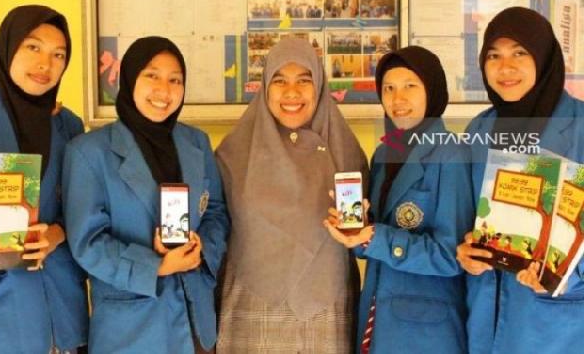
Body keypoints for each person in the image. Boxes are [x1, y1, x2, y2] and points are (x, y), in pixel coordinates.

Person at [62, 36, 230, 353]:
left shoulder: (196, 143)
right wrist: (157, 266)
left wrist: (202, 250)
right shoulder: (89, 152)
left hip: (195, 325)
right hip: (131, 330)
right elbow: (87, 243)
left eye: (175, 80)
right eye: (152, 76)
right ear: (128, 79)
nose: (164, 90)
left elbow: (216, 212)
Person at [0, 5, 88, 353]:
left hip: (63, 310)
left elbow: (82, 208)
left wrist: (56, 234)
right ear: (8, 47)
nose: (45, 64)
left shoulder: (68, 125)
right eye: (33, 47)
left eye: (58, 54)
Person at [215, 38, 367, 353]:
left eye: (304, 80)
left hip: (327, 307)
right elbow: (215, 230)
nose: (292, 92)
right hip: (251, 305)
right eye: (279, 80)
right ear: (265, 87)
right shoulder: (233, 155)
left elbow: (366, 237)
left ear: (319, 86)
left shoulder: (346, 152)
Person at [324, 46, 474, 353]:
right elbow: (375, 241)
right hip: (380, 317)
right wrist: (358, 230)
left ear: (432, 90)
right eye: (388, 88)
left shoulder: (450, 154)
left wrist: (375, 237)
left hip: (426, 330)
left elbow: (451, 255)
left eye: (410, 86)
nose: (398, 99)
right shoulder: (384, 154)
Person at [456, 6, 584, 354]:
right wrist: (464, 253)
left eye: (519, 53)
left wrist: (566, 277)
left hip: (559, 331)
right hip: (486, 324)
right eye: (493, 55)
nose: (505, 67)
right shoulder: (480, 130)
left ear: (543, 58)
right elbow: (467, 220)